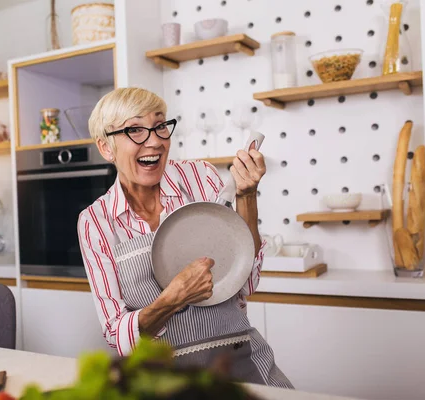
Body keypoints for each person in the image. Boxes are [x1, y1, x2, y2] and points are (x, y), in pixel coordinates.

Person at [77, 87, 292, 388]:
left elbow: (245, 281)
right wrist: (172, 299)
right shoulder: (95, 223)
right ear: (106, 147)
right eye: (135, 129)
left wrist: (247, 195)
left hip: (242, 366)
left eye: (160, 125)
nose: (154, 141)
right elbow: (117, 335)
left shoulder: (200, 178)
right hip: (163, 382)